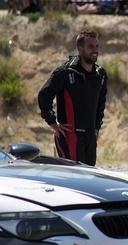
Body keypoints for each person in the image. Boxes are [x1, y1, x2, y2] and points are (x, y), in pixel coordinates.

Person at [38, 31, 107, 166]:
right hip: (69, 137)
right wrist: (53, 123)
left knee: (89, 179)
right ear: (80, 49)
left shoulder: (100, 74)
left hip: (90, 138)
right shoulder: (66, 72)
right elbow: (44, 95)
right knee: (73, 179)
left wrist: (96, 128)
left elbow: (101, 104)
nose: (95, 50)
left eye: (97, 46)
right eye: (91, 47)